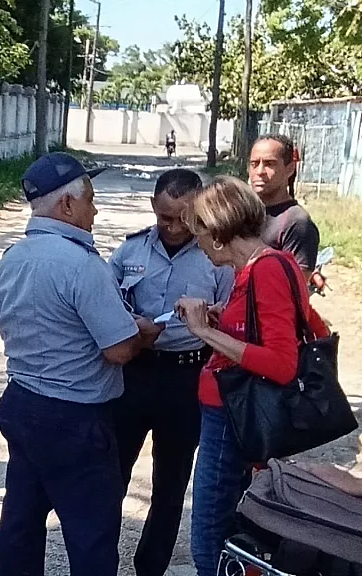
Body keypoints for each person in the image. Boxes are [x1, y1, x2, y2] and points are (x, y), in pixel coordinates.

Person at [0, 152, 163, 576]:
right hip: (75, 418)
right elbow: (118, 351)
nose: (96, 208)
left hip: (22, 403)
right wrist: (142, 332)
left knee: (21, 522)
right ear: (67, 205)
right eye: (90, 198)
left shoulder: (10, 259)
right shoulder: (83, 267)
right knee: (91, 533)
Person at [174, 175, 330, 575]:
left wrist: (205, 332)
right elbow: (307, 326)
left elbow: (282, 363)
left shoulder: (266, 270)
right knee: (233, 532)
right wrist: (222, 320)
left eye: (201, 234)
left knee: (209, 537)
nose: (199, 244)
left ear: (221, 232)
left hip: (232, 417)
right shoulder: (264, 267)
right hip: (231, 414)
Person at [108, 169, 234, 576]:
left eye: (185, 217)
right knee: (111, 473)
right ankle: (99, 559)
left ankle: (151, 566)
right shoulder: (129, 253)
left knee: (170, 482)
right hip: (133, 374)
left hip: (187, 377)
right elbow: (106, 306)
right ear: (152, 207)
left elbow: (232, 321)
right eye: (166, 217)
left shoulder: (217, 258)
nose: (175, 227)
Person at [249, 134, 320, 275]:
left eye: (269, 164)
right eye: (254, 164)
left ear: (290, 169)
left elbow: (294, 287)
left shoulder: (297, 224)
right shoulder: (243, 212)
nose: (260, 171)